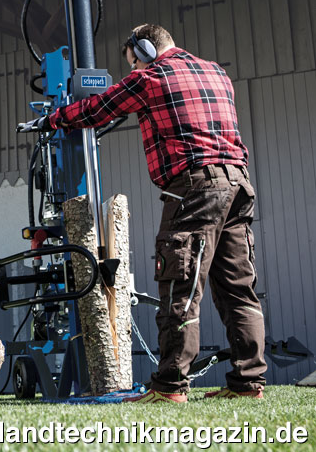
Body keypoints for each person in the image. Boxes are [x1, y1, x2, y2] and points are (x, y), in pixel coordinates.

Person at [17, 24, 267, 403]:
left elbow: (96, 109)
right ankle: (249, 384)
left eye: (133, 61)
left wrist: (52, 120)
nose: (132, 69)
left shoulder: (150, 77)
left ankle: (169, 388)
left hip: (194, 189)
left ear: (145, 50)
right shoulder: (216, 71)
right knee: (238, 290)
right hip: (238, 185)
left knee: (178, 288)